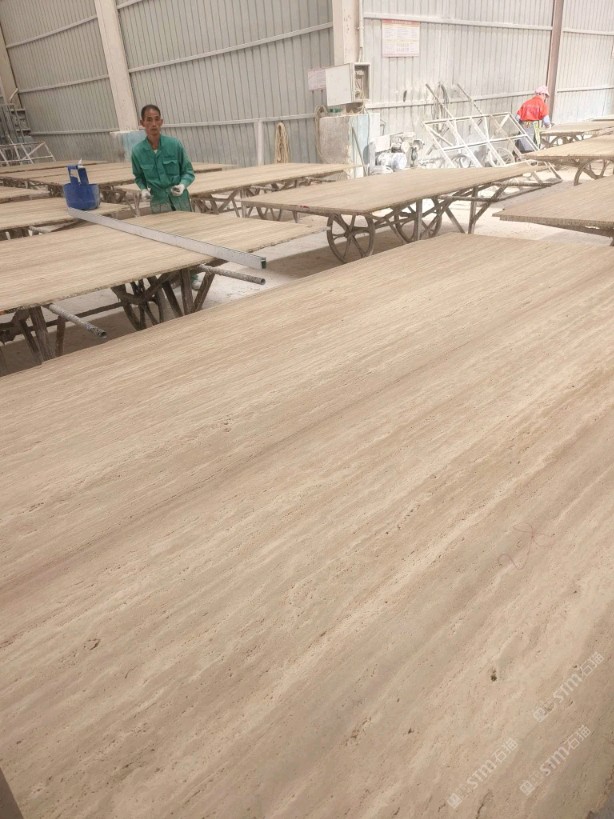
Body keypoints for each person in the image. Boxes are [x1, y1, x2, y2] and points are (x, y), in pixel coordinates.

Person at [131, 104, 195, 213]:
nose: (154, 124)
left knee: (186, 224)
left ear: (161, 122)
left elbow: (188, 171)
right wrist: (144, 189)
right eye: (149, 120)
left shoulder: (174, 145)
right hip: (158, 202)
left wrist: (182, 185)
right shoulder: (137, 152)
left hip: (180, 201)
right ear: (142, 123)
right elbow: (139, 176)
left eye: (157, 119)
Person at [516, 86, 552, 151]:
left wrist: (522, 124)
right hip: (535, 125)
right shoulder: (542, 104)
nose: (545, 98)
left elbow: (517, 117)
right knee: (535, 144)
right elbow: (546, 121)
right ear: (543, 94)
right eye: (545, 96)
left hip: (523, 125)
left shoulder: (526, 103)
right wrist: (548, 126)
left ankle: (522, 153)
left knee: (523, 142)